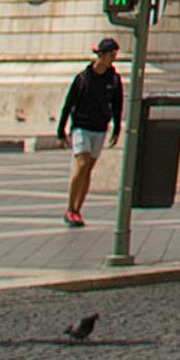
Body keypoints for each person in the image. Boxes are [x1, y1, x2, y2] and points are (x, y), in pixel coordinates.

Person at [58, 37, 125, 227]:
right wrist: (61, 130)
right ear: (101, 55)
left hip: (100, 128)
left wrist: (116, 129)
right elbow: (69, 103)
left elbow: (117, 106)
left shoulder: (114, 79)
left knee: (88, 169)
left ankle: (78, 209)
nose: (113, 58)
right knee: (81, 163)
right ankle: (70, 208)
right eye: (111, 54)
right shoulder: (83, 78)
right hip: (81, 126)